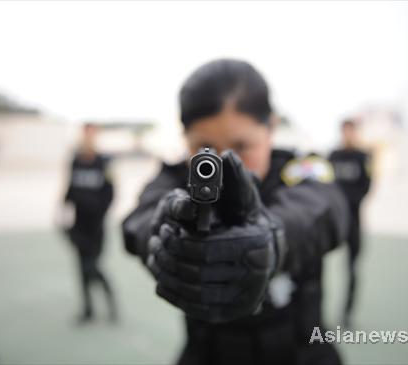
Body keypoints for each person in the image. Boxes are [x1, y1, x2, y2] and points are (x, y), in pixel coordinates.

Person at [122, 59, 349, 365]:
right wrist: (166, 237)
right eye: (204, 149)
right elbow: (140, 220)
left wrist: (271, 237)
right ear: (185, 137)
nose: (223, 163)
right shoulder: (174, 178)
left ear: (270, 127)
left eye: (242, 146)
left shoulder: (299, 170)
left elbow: (325, 210)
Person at [63, 123, 117, 323]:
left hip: (96, 227)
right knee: (81, 270)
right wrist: (62, 211)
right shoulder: (75, 160)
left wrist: (101, 213)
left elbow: (111, 193)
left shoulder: (104, 162)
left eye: (91, 134)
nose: (88, 138)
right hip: (79, 226)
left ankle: (112, 304)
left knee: (92, 267)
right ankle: (88, 309)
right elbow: (69, 188)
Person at [328, 119, 372, 327]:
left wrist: (348, 203)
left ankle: (347, 314)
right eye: (344, 131)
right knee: (315, 265)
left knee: (352, 268)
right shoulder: (333, 156)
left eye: (351, 131)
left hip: (353, 221)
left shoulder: (362, 157)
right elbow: (325, 184)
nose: (347, 135)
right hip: (334, 221)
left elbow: (367, 186)